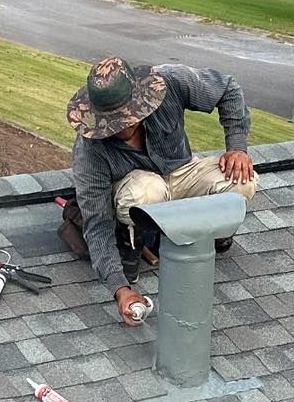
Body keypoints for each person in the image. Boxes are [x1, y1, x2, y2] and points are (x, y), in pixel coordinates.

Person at [67, 57, 257, 327]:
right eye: (112, 122)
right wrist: (120, 289)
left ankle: (206, 234)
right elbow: (97, 224)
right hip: (138, 192)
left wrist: (237, 146)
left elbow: (228, 89)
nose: (121, 127)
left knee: (242, 182)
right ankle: (135, 239)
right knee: (145, 192)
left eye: (127, 118)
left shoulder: (170, 81)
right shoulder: (90, 150)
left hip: (181, 172)